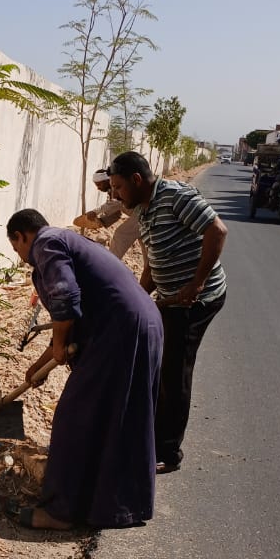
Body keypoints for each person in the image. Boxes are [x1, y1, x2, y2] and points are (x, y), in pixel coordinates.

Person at [4, 209, 164, 530]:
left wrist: (60, 346)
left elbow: (65, 295)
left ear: (22, 235)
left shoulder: (46, 244)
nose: (21, 257)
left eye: (16, 248)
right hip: (142, 324)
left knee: (75, 417)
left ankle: (61, 511)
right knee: (118, 417)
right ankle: (112, 506)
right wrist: (42, 365)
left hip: (119, 332)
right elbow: (72, 315)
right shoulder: (66, 240)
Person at [108, 151, 227, 475]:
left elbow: (217, 231)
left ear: (136, 180)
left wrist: (196, 284)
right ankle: (150, 437)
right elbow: (152, 264)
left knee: (175, 372)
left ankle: (168, 453)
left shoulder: (175, 196)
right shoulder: (143, 210)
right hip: (170, 298)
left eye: (118, 187)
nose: (115, 195)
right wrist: (137, 298)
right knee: (159, 366)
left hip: (196, 301)